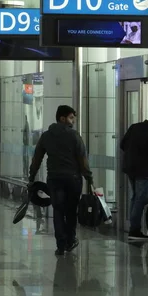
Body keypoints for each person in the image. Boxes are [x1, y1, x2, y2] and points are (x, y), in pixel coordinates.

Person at [29, 105, 93, 255]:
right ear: (62, 118)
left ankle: (60, 245)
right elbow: (83, 159)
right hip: (73, 179)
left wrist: (32, 176)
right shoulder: (74, 135)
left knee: (58, 210)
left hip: (55, 179)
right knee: (71, 211)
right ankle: (70, 240)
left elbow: (37, 158)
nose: (73, 121)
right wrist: (89, 178)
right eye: (71, 118)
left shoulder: (46, 136)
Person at [121, 119, 148, 240]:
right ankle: (134, 230)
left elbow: (122, 145)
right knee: (141, 199)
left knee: (136, 197)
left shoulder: (134, 127)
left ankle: (133, 227)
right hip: (143, 169)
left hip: (130, 168)